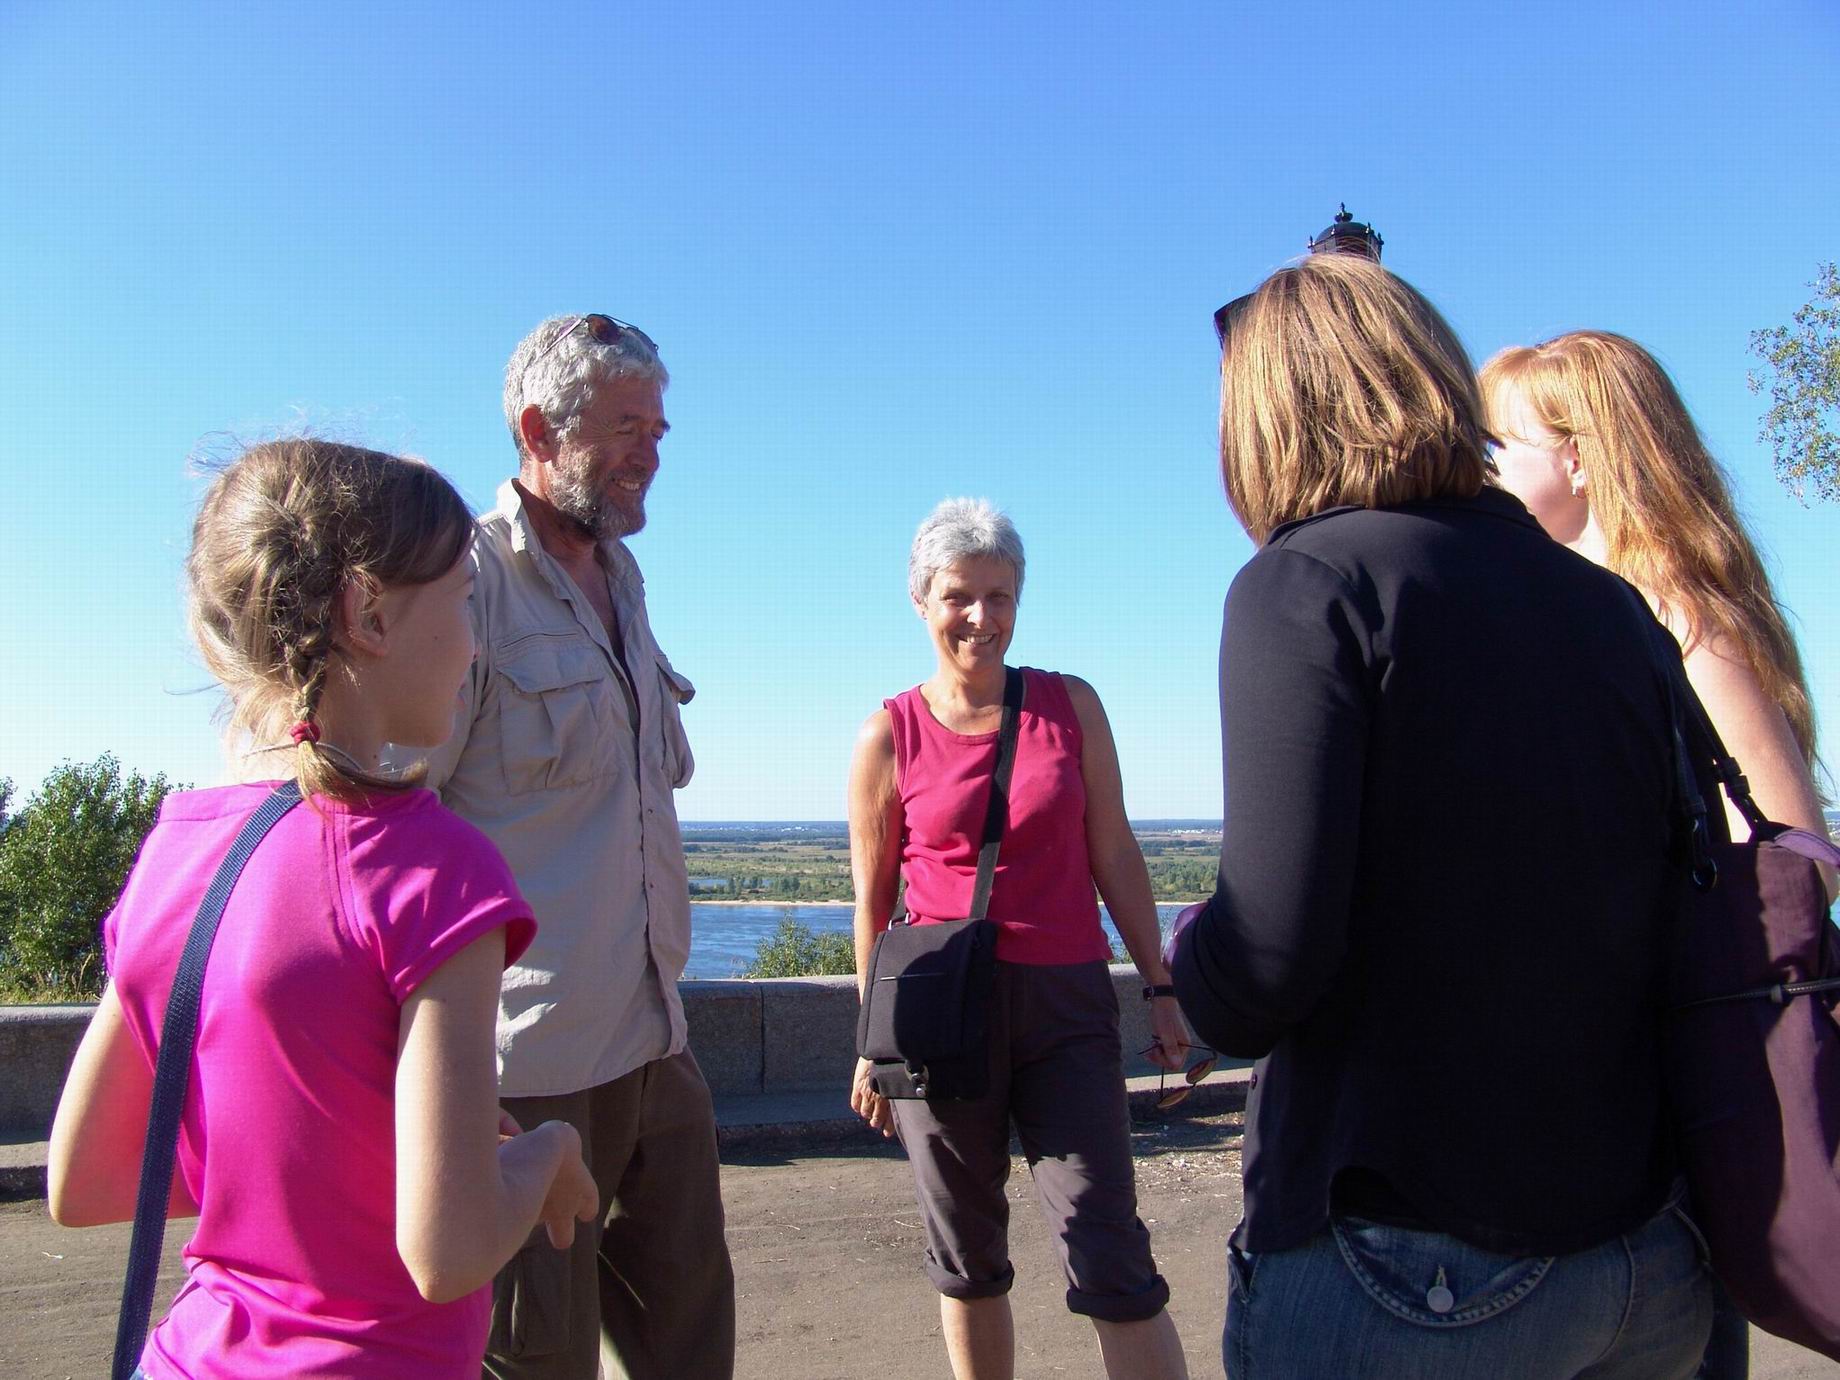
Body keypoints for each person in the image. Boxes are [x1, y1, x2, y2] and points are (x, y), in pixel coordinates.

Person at [1172, 256, 1715, 1378]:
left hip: (1406, 1254)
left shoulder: (1309, 582)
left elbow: (1263, 969)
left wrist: (1190, 950)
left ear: (1271, 414)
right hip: (1646, 1251)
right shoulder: (1610, 604)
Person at [47, 439, 599, 1379]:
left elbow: (88, 1179)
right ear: (368, 615)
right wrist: (546, 1154)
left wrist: (343, 1157)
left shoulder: (176, 851)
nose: (475, 642)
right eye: (464, 601)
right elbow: (448, 1250)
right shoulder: (432, 868)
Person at [404, 314, 735, 1380]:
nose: (651, 452)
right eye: (626, 426)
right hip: (525, 1068)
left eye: (658, 429)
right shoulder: (465, 582)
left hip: (655, 1045)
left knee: (690, 1347)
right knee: (537, 1359)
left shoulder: (623, 580)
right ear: (538, 429)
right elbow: (395, 832)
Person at [847, 498, 1192, 1380]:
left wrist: (1159, 985)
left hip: (1065, 1003)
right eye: (959, 595)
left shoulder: (1070, 706)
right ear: (921, 601)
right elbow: (872, 906)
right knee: (965, 1254)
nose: (981, 617)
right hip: (938, 1020)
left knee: (1110, 1251)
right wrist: (872, 1046)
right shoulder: (889, 734)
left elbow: (1114, 850)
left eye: (999, 596)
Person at [1479, 330, 1833, 902]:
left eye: (1493, 451)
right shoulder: (1586, 615)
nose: (1479, 475)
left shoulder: (1681, 620)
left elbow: (1801, 870)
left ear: (1576, 461)